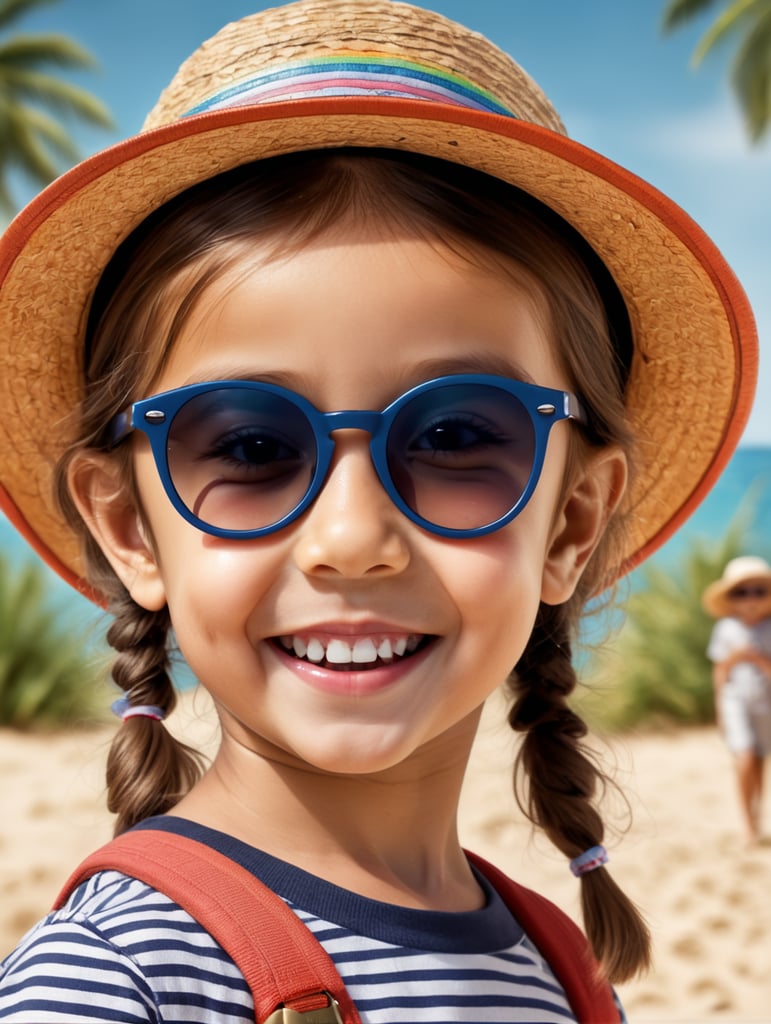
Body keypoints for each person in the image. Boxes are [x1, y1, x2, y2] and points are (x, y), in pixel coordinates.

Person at [0, 0, 757, 1020]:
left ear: (573, 522)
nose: (352, 539)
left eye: (454, 437)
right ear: (130, 527)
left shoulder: (559, 968)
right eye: (253, 446)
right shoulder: (112, 982)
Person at [703, 557, 771, 846]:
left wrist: (757, 658)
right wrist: (720, 709)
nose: (751, 598)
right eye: (742, 592)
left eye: (759, 591)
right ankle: (746, 824)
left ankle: (755, 817)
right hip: (735, 701)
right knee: (744, 756)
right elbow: (720, 670)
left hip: (766, 702)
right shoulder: (725, 629)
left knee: (759, 762)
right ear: (732, 599)